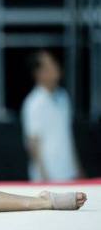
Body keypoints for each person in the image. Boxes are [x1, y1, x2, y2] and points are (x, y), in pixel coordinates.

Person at [21, 50, 84, 182]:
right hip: (47, 177)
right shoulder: (33, 103)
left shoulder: (63, 97)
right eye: (47, 66)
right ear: (38, 73)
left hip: (69, 173)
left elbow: (67, 137)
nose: (54, 69)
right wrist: (45, 177)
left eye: (54, 64)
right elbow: (33, 143)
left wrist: (78, 171)